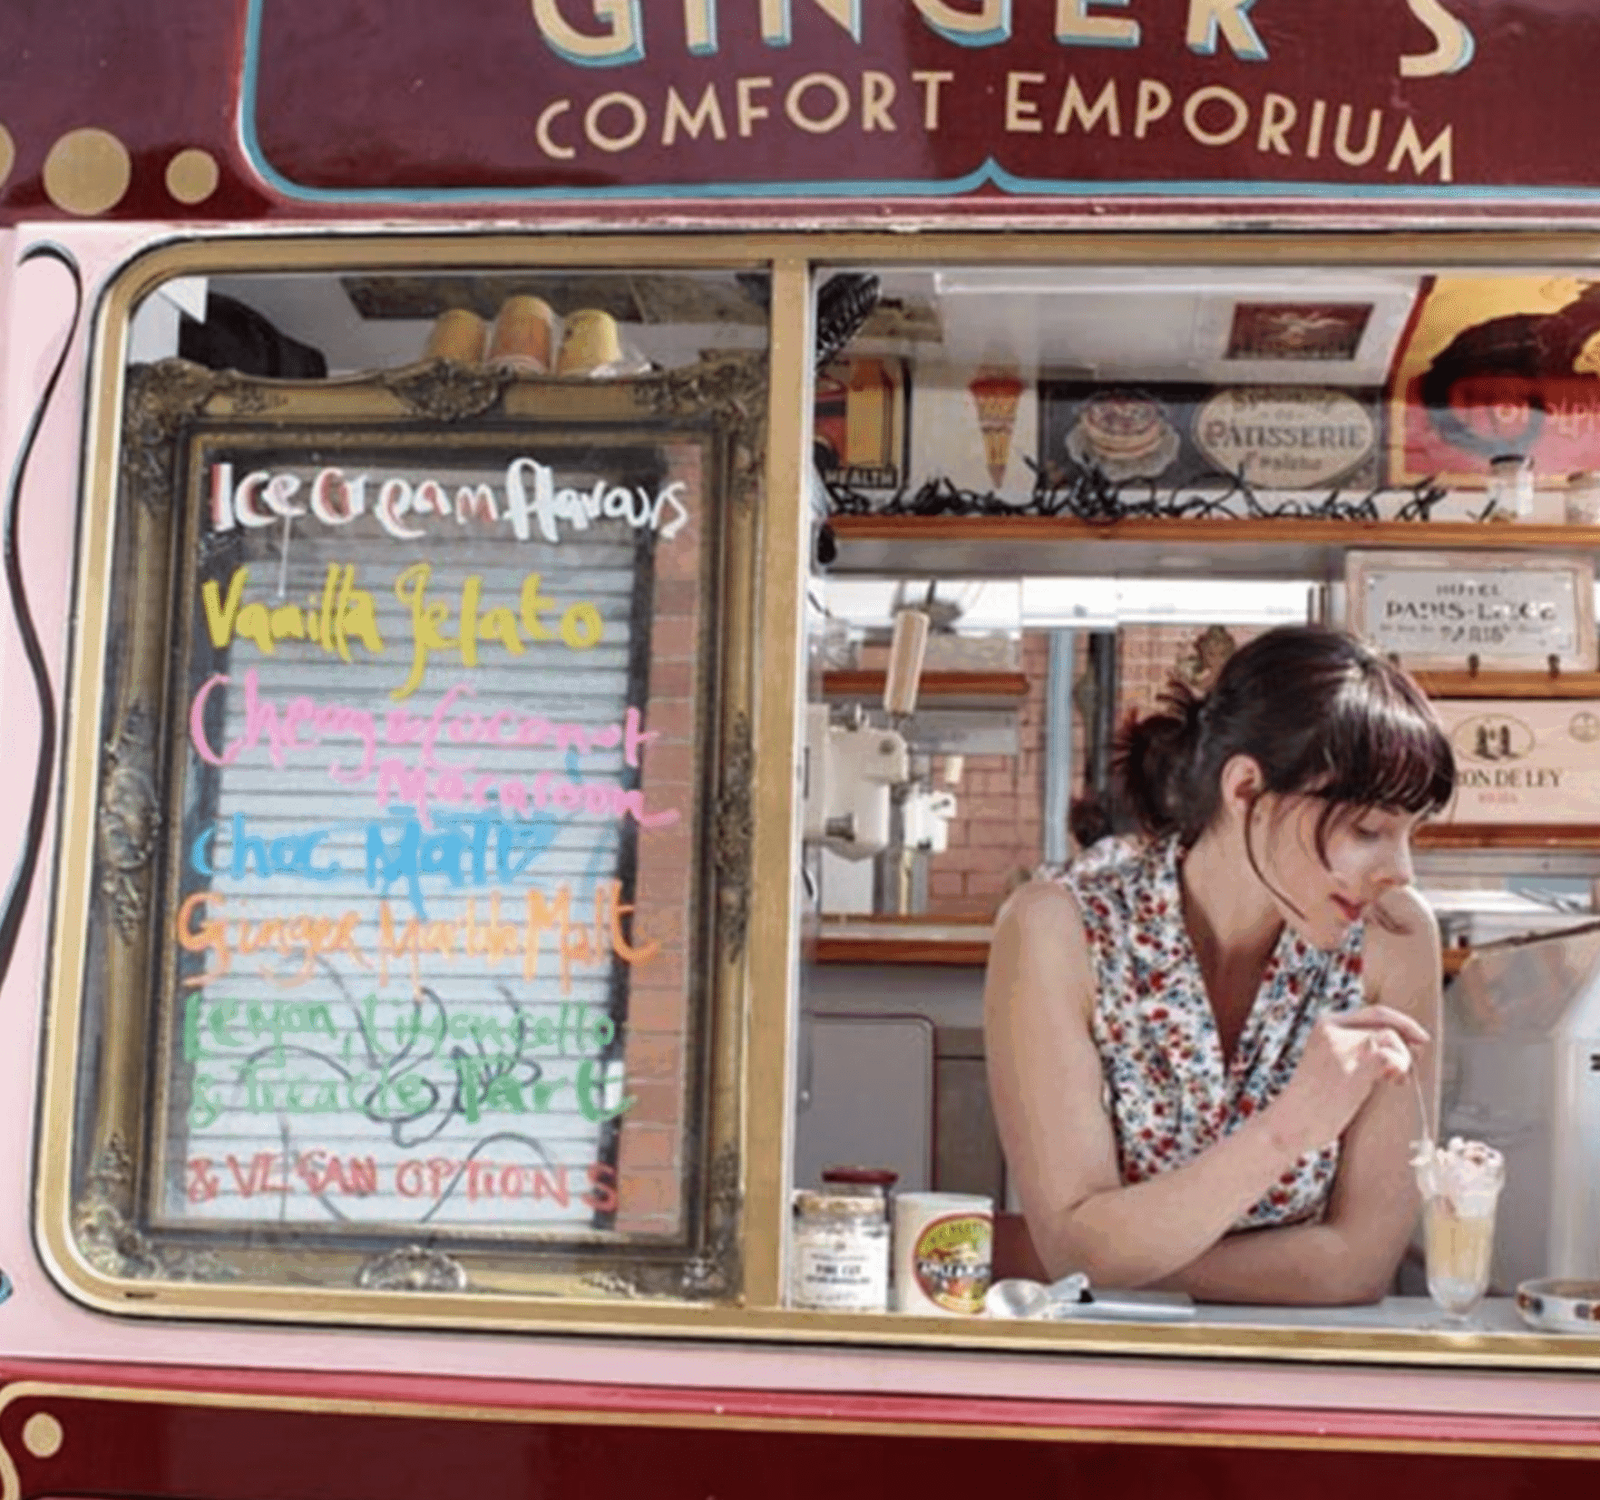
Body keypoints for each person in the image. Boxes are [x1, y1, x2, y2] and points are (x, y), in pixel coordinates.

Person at [983, 625, 1455, 1306]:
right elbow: (1080, 1249)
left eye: (1412, 834)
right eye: (1367, 831)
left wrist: (1093, 1256)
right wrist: (1289, 1129)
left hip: (1308, 1377)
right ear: (1244, 791)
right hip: (1098, 1369)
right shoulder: (1057, 931)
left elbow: (1358, 1266)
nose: (1400, 871)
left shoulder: (1394, 936)